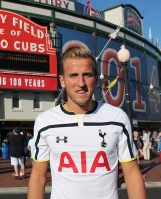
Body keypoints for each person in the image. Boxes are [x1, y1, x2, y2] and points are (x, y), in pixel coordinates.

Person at [28, 47, 146, 199]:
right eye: (73, 75)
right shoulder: (45, 121)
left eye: (87, 75)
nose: (81, 83)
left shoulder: (117, 118)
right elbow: (38, 176)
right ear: (62, 80)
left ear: (96, 78)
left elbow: (131, 173)